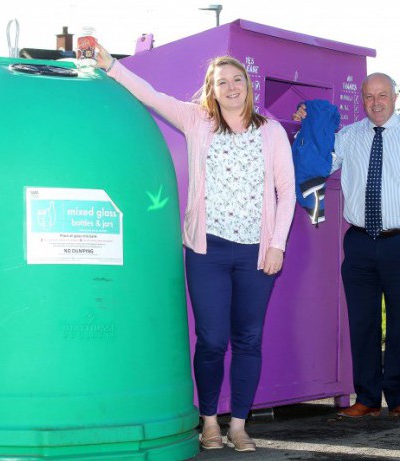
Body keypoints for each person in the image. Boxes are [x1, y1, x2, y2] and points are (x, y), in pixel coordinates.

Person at [95, 47, 296, 450]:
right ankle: (209, 422)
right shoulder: (197, 121)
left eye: (237, 79)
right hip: (208, 251)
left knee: (248, 339)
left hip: (257, 253)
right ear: (212, 89)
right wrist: (111, 66)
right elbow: (150, 95)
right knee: (211, 340)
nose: (231, 87)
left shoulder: (270, 131)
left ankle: (238, 424)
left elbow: (287, 191)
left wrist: (277, 245)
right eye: (222, 82)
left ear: (248, 85)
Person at [294, 73, 400, 419]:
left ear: (395, 96)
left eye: (383, 95)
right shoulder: (348, 137)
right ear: (362, 100)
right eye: (369, 96)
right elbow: (318, 165)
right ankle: (367, 398)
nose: (376, 102)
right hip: (359, 242)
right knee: (362, 323)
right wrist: (309, 124)